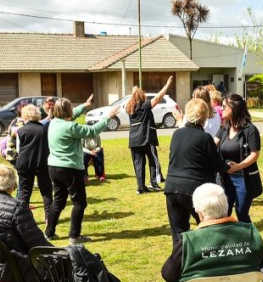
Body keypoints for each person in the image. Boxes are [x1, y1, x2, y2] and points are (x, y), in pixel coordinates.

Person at [47, 95, 119, 243]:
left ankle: (49, 232)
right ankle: (74, 236)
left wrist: (84, 106)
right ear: (68, 111)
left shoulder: (53, 123)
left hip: (54, 168)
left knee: (58, 201)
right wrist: (107, 118)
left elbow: (71, 115)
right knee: (79, 203)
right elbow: (92, 131)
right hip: (70, 169)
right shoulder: (70, 127)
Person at [164, 98, 229, 244]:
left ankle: (180, 263)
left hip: (173, 187)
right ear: (204, 117)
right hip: (195, 189)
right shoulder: (205, 138)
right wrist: (230, 166)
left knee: (179, 234)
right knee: (207, 228)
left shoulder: (177, 134)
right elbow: (218, 164)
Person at [215, 94, 262, 223]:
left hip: (243, 178)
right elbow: (213, 144)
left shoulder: (250, 130)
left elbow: (254, 154)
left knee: (241, 212)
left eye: (224, 106)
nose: (221, 108)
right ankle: (226, 240)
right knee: (224, 212)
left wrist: (238, 166)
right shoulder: (224, 127)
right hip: (225, 178)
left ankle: (250, 240)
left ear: (234, 108)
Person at [127, 76, 173, 194]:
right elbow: (157, 98)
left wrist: (134, 92)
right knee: (153, 160)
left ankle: (140, 187)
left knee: (138, 164)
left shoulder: (129, 108)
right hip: (146, 139)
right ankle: (154, 182)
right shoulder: (144, 106)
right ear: (142, 96)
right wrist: (166, 86)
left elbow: (134, 98)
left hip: (134, 141)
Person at [15, 104, 52, 221]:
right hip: (42, 162)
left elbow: (18, 149)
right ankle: (49, 218)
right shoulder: (45, 129)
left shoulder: (20, 131)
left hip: (25, 163)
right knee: (46, 192)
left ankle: (23, 219)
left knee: (24, 192)